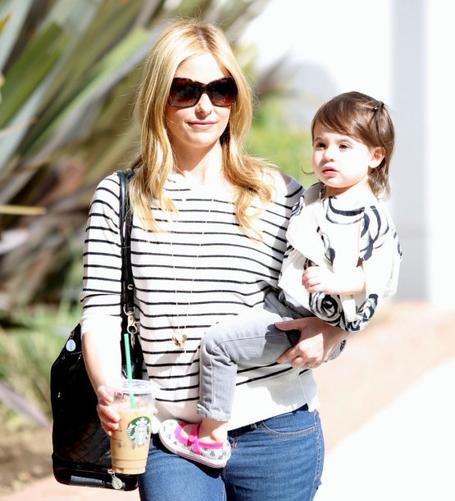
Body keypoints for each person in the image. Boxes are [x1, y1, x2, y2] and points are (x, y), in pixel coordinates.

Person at [81, 18, 348, 501]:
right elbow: (99, 312)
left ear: (236, 97)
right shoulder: (120, 196)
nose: (205, 106)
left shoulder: (281, 194)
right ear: (160, 97)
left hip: (276, 429)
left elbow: (340, 290)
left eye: (220, 89)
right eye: (186, 90)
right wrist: (109, 390)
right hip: (173, 433)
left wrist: (330, 335)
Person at [159, 90, 402, 469]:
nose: (328, 155)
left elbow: (380, 272)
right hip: (284, 303)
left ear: (375, 156)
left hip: (298, 319)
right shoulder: (317, 197)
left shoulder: (368, 214)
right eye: (320, 144)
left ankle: (210, 435)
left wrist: (336, 284)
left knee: (219, 345)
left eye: (343, 146)